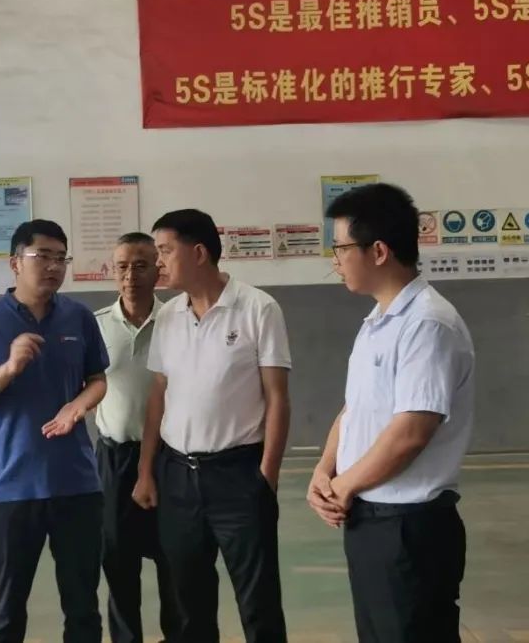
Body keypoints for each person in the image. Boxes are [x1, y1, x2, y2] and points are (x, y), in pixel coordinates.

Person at [307, 183, 474, 643]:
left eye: (341, 248)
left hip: (409, 528)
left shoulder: (427, 323)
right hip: (371, 518)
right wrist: (325, 469)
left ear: (378, 251)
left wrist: (344, 485)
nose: (335, 261)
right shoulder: (379, 322)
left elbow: (411, 432)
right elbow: (354, 408)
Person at [133, 209, 292, 643]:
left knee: (258, 603)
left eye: (165, 251)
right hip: (177, 478)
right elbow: (158, 396)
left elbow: (277, 398)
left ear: (199, 252)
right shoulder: (169, 317)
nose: (158, 262)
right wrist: (147, 471)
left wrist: (266, 477)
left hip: (239, 476)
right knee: (188, 605)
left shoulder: (258, 308)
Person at [0, 219, 109, 643]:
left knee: (83, 606)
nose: (54, 266)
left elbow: (98, 379)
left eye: (61, 258)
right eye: (44, 256)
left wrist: (78, 405)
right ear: (15, 263)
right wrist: (9, 368)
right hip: (12, 489)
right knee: (6, 608)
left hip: (76, 485)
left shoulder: (78, 317)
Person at [94, 233, 182, 643]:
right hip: (113, 460)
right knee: (118, 561)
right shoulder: (95, 325)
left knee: (174, 558)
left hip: (168, 460)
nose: (131, 275)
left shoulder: (178, 320)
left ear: (158, 270)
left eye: (141, 266)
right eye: (123, 266)